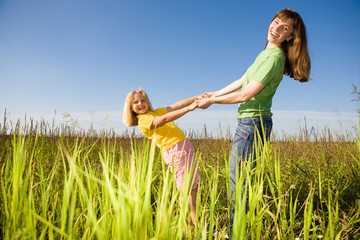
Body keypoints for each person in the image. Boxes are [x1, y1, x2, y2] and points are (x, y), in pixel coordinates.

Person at [198, 8, 311, 237]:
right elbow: (242, 79)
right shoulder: (265, 54)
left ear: (290, 37)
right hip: (251, 123)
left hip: (252, 124)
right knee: (241, 183)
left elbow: (245, 95)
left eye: (284, 28)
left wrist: (213, 102)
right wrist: (214, 93)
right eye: (276, 22)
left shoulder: (275, 58)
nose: (276, 28)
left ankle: (238, 233)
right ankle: (240, 232)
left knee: (239, 185)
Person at [123, 89, 202, 231]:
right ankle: (187, 226)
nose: (140, 103)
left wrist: (195, 98)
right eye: (135, 102)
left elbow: (176, 105)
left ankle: (194, 222)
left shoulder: (156, 112)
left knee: (193, 187)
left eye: (143, 100)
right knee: (186, 188)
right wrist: (190, 108)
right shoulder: (144, 120)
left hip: (184, 148)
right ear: (130, 107)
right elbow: (163, 120)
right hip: (175, 151)